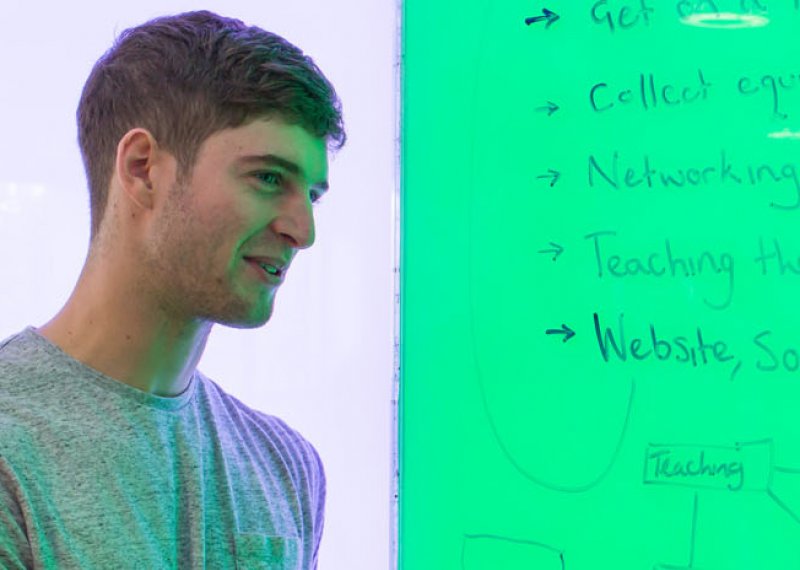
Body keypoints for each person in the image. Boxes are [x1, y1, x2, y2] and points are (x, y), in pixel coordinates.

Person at [0, 9, 345, 569]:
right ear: (142, 169)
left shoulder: (285, 467)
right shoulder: (12, 450)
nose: (302, 231)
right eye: (268, 178)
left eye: (313, 195)